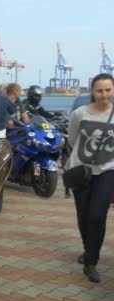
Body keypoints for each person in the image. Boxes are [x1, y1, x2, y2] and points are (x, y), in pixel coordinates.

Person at [66, 73, 114, 283]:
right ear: (92, 92)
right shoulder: (79, 114)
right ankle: (88, 250)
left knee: (97, 215)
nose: (104, 95)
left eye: (108, 90)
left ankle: (91, 262)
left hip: (107, 170)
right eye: (99, 90)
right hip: (81, 170)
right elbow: (73, 139)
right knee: (84, 216)